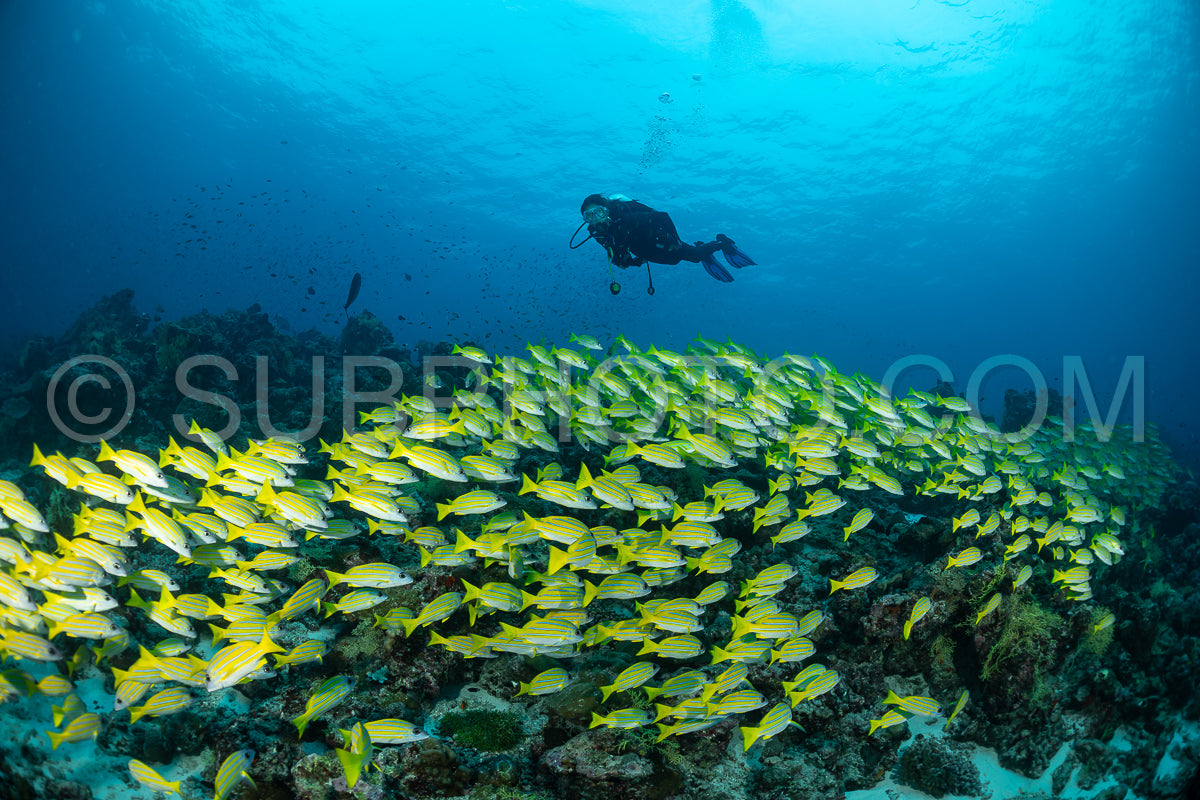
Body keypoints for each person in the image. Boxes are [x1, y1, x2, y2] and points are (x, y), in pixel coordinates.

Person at [572, 194, 756, 291]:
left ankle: (723, 243)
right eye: (589, 216)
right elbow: (614, 252)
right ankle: (702, 249)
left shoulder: (624, 216)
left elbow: (662, 216)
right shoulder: (597, 233)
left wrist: (674, 240)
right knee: (687, 258)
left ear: (607, 210)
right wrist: (631, 262)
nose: (596, 219)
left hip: (661, 240)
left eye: (599, 213)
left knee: (691, 257)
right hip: (645, 251)